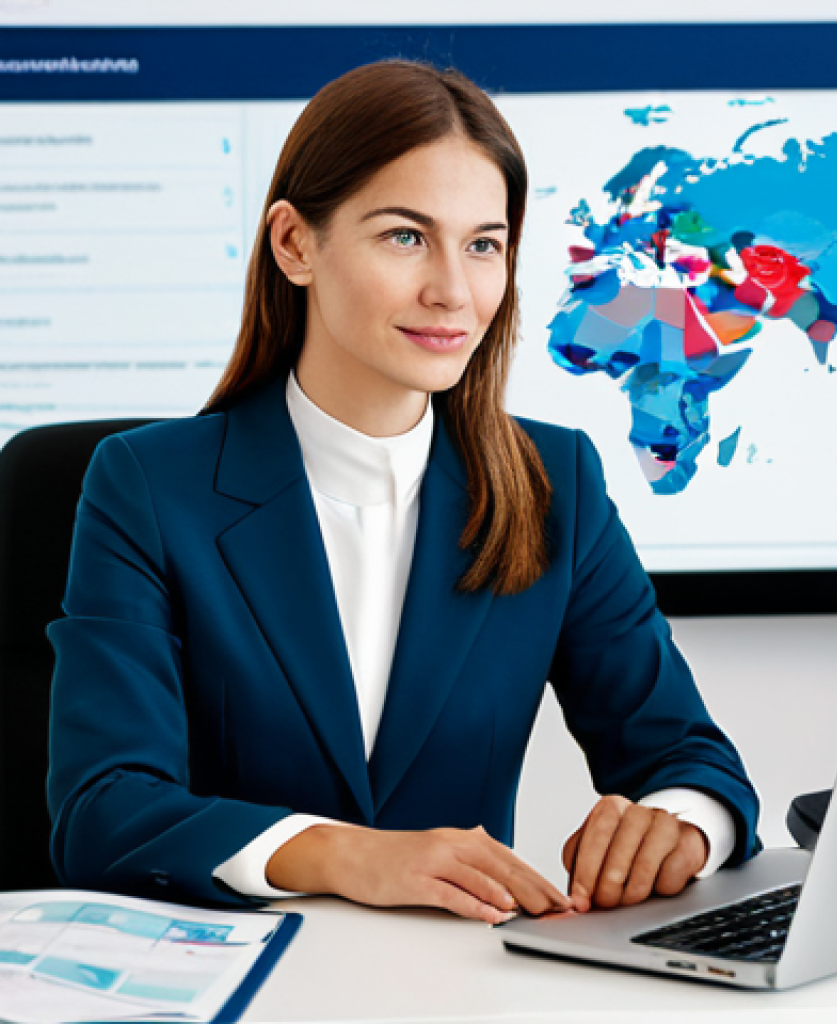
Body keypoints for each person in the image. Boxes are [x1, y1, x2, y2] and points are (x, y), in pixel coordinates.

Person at [47, 60, 760, 923]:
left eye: (484, 245)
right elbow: (105, 810)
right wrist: (349, 855)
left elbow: (688, 757)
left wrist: (682, 823)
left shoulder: (554, 483)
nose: (454, 292)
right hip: (235, 982)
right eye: (405, 236)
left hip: (461, 988)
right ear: (294, 244)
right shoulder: (150, 487)